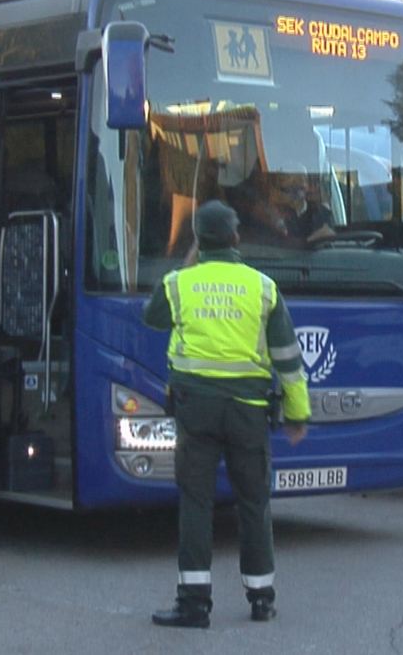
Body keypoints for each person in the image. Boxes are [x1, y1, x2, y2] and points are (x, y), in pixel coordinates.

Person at [143, 200, 311, 629]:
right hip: (248, 413)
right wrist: (297, 414)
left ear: (199, 239)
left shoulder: (179, 283)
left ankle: (194, 605)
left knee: (196, 504)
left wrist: (188, 262)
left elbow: (152, 319)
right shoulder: (263, 288)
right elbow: (288, 360)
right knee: (254, 503)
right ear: (237, 238)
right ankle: (261, 599)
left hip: (195, 410)